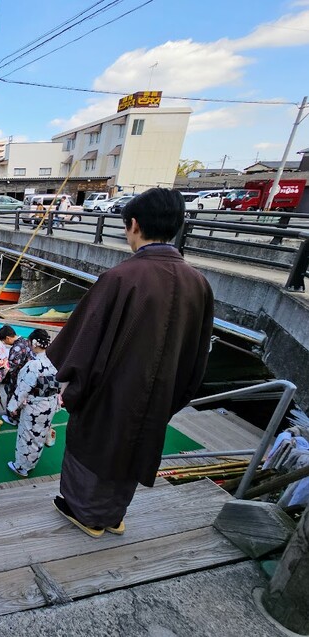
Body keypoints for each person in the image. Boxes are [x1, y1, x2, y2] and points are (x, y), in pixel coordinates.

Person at [46, 188, 214, 538]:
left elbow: (81, 346)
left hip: (111, 393)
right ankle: (113, 515)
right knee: (134, 448)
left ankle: (87, 516)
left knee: (95, 447)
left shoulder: (121, 278)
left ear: (134, 225)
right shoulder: (198, 284)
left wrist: (75, 390)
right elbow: (196, 356)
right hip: (158, 395)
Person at [7, 329, 61, 478]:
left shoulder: (34, 365)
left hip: (35, 406)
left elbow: (23, 387)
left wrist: (13, 407)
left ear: (34, 343)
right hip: (49, 405)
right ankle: (32, 463)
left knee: (27, 435)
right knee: (39, 435)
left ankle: (21, 467)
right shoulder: (51, 363)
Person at [0, 325, 35, 426]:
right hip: (30, 376)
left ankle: (13, 418)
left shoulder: (16, 348)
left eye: (5, 341)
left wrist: (2, 364)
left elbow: (11, 365)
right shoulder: (26, 341)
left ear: (8, 338)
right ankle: (22, 416)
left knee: (13, 394)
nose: (5, 343)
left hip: (19, 377)